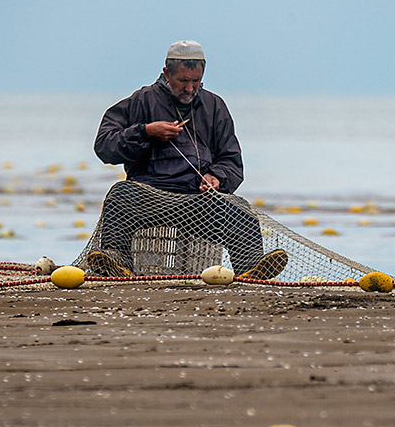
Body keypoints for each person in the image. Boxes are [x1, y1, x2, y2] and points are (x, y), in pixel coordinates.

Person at [88, 40, 286, 279]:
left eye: (196, 81)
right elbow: (104, 145)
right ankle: (116, 259)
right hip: (150, 197)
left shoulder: (215, 106)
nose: (190, 89)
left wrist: (216, 177)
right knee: (119, 195)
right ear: (166, 74)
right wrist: (145, 132)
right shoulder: (141, 100)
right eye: (183, 81)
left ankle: (252, 268)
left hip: (197, 200)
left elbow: (231, 160)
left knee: (240, 209)